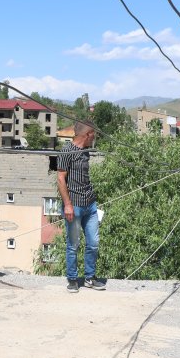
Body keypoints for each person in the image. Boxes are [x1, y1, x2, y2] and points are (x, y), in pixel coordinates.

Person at [57, 121, 107, 294]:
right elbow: (61, 179)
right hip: (74, 205)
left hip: (90, 204)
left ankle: (90, 277)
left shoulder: (86, 152)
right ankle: (72, 279)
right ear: (87, 134)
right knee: (73, 244)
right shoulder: (66, 151)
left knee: (93, 243)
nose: (95, 137)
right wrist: (68, 205)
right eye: (94, 134)